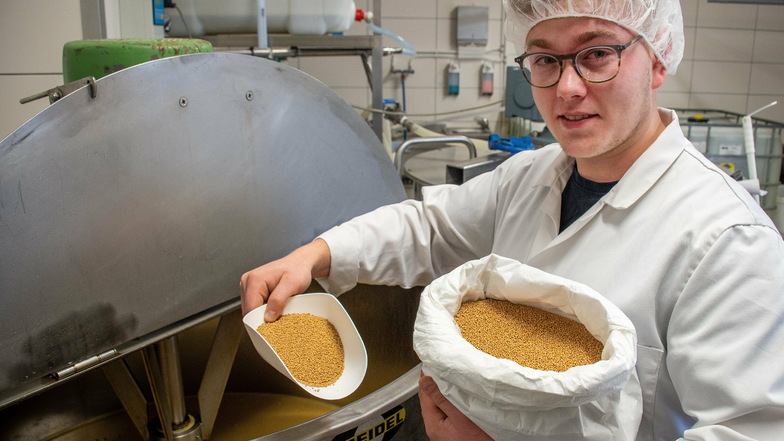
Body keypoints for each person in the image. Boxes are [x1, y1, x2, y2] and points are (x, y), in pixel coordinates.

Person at [240, 0, 784, 439]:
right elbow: (429, 229)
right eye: (545, 59)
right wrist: (315, 255)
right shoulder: (530, 176)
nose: (566, 88)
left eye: (596, 54)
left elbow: (748, 432)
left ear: (658, 59)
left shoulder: (728, 240)